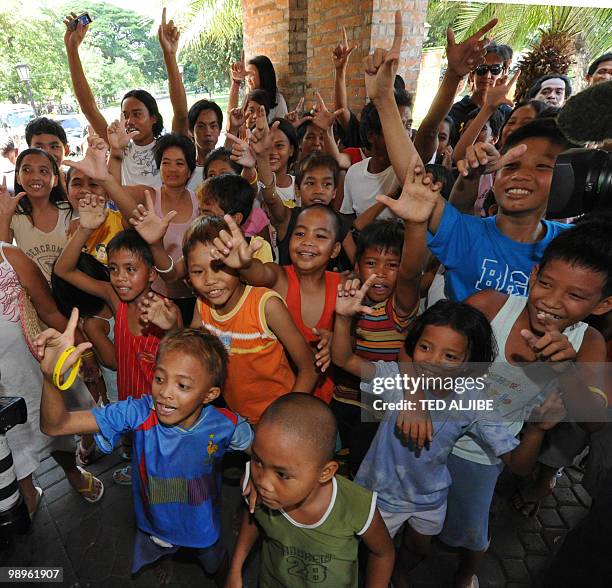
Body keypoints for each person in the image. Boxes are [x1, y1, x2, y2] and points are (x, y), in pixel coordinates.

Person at [437, 221, 610, 587]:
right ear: (533, 274)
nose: (551, 301)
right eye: (546, 283)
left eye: (575, 295)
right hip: (436, 432)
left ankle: (465, 574)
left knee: (470, 528)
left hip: (487, 457)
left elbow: (594, 421)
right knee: (422, 508)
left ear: (604, 304)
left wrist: (565, 371)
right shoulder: (487, 306)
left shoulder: (587, 344)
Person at [37, 315, 253, 585]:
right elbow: (56, 425)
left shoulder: (226, 424)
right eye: (160, 378)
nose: (165, 392)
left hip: (202, 515)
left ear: (209, 395)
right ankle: (165, 558)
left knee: (213, 559)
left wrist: (257, 476)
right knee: (159, 548)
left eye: (182, 385)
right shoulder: (138, 413)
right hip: (156, 518)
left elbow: (257, 449)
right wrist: (50, 378)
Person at [146, 214, 318, 424]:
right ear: (189, 276)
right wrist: (172, 328)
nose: (210, 280)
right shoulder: (203, 306)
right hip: (238, 419)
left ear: (236, 261)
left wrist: (284, 419)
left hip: (280, 417)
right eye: (199, 271)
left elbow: (309, 368)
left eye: (219, 267)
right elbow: (191, 357)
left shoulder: (266, 305)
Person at [227, 393, 395, 587]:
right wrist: (236, 567)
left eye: (282, 474)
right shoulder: (258, 487)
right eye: (257, 460)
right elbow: (254, 518)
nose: (264, 481)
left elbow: (383, 553)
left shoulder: (356, 505)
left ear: (325, 472)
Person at [0, 242, 104, 517]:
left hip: (32, 371)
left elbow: (48, 312)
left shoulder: (10, 258)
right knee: (11, 442)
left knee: (54, 426)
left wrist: (86, 351)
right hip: (2, 386)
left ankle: (72, 472)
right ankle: (27, 491)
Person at [209, 206, 342, 402]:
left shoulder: (343, 287)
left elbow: (356, 339)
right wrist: (245, 265)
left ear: (335, 250)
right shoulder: (280, 277)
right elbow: (260, 273)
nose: (307, 241)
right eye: (300, 233)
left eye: (320, 236)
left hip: (323, 397)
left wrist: (337, 341)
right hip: (270, 397)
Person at [0, 148, 73, 282]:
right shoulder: (14, 215)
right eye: (27, 170)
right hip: (33, 297)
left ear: (55, 180)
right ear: (18, 178)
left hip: (70, 295)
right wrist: (5, 216)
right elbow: (3, 262)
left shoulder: (69, 211)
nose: (35, 177)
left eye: (43, 171)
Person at [449, 43, 511, 129]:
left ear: (503, 74)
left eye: (495, 69)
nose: (488, 76)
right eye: (482, 69)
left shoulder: (508, 116)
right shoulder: (455, 112)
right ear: (471, 75)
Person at [186, 99, 224, 192]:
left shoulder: (227, 167)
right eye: (201, 126)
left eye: (213, 126)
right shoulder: (185, 169)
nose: (207, 132)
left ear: (219, 130)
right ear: (191, 131)